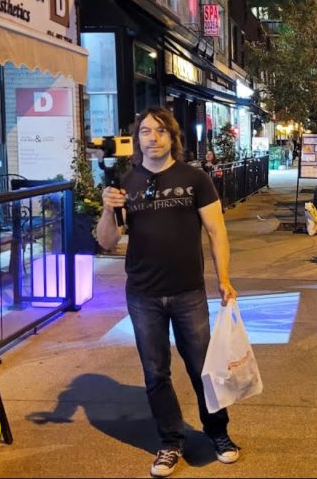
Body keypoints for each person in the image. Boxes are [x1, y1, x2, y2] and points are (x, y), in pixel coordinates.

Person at [97, 106, 240, 477]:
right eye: (146, 131)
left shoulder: (194, 179)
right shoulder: (125, 183)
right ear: (137, 139)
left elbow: (217, 231)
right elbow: (107, 242)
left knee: (201, 368)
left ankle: (218, 433)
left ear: (172, 136)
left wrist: (223, 277)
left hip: (188, 292)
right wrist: (107, 211)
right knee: (155, 372)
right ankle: (170, 441)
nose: (153, 137)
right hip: (143, 295)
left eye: (161, 131)